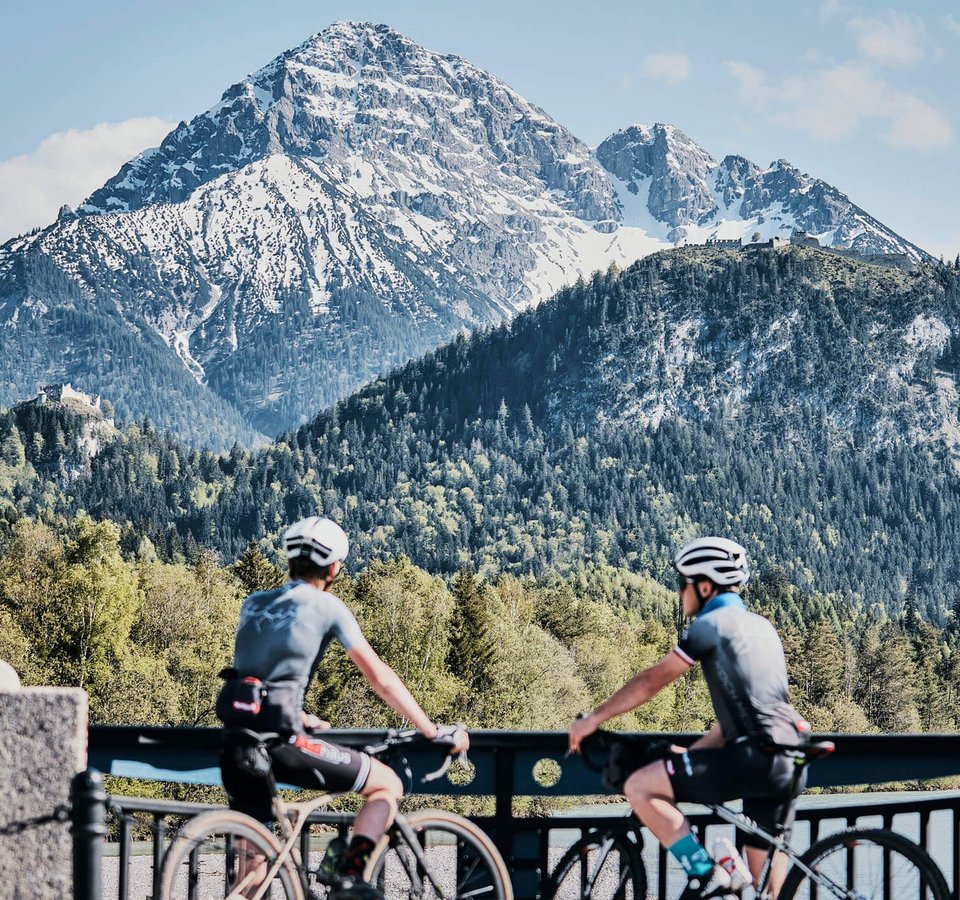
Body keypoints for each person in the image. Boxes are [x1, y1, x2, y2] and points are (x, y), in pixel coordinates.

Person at [217, 516, 468, 900]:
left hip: (237, 744)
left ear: (289, 560)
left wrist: (299, 713)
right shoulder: (328, 607)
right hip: (283, 744)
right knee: (387, 784)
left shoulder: (254, 603)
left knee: (251, 878)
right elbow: (380, 679)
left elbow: (253, 680)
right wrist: (431, 730)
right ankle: (350, 875)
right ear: (334, 567)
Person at [568, 537, 810, 900]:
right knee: (769, 896)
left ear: (705, 586)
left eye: (683, 584)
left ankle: (704, 870)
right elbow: (741, 718)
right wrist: (692, 752)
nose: (681, 594)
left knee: (639, 786)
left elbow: (652, 680)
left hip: (752, 759)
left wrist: (594, 718)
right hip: (789, 755)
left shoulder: (710, 625)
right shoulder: (762, 626)